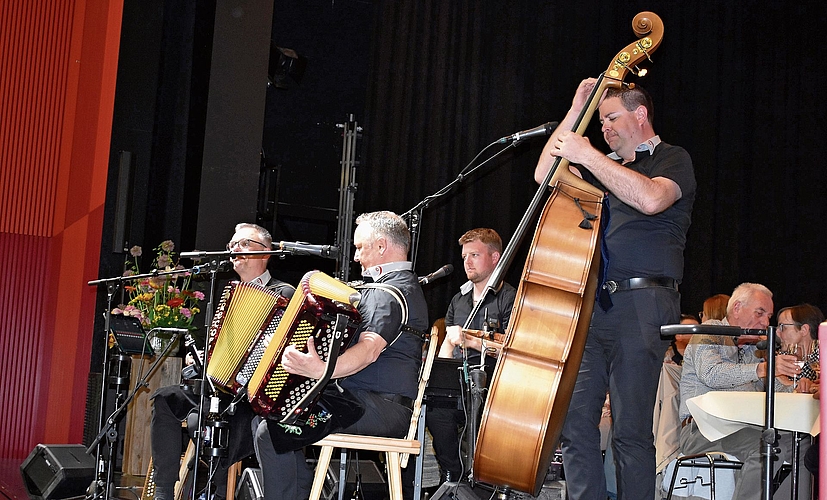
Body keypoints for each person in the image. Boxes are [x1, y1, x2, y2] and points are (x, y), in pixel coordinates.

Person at [534, 80, 696, 499]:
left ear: (640, 115)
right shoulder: (601, 164)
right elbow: (544, 174)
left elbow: (651, 199)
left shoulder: (671, 158)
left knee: (630, 430)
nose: (604, 126)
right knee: (573, 422)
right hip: (594, 304)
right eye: (600, 119)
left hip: (644, 301)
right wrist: (576, 111)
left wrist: (587, 155)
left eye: (611, 117)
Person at [255, 210, 428, 500]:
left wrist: (320, 369)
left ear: (382, 246)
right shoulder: (391, 288)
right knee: (269, 415)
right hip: (362, 400)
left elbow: (369, 350)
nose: (356, 257)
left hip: (381, 407)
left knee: (270, 429)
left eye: (360, 248)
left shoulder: (391, 293)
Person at [150, 223, 295, 500]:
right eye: (232, 245)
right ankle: (164, 491)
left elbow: (280, 349)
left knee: (203, 421)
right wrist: (207, 355)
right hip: (217, 385)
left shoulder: (284, 294)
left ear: (266, 253)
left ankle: (215, 492)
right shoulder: (228, 292)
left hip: (250, 393)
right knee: (164, 398)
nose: (234, 250)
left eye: (243, 244)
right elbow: (222, 342)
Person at [678, 283, 806, 500]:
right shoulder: (709, 332)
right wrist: (763, 368)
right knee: (766, 447)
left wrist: (794, 388)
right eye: (760, 313)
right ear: (736, 308)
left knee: (803, 445)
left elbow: (772, 387)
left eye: (768, 316)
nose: (766, 322)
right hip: (702, 429)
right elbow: (712, 374)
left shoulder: (753, 348)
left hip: (743, 427)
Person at [426, 228, 517, 484]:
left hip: (496, 390)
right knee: (437, 413)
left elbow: (513, 348)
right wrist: (438, 377)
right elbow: (449, 344)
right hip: (460, 385)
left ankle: (483, 483)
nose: (467, 261)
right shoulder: (459, 300)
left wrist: (472, 340)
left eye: (474, 255)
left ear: (495, 257)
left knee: (483, 426)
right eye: (465, 256)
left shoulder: (510, 298)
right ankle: (455, 478)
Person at [776, 303, 823, 383]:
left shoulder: (822, 360)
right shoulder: (779, 359)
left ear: (804, 330)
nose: (777, 332)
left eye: (782, 327)